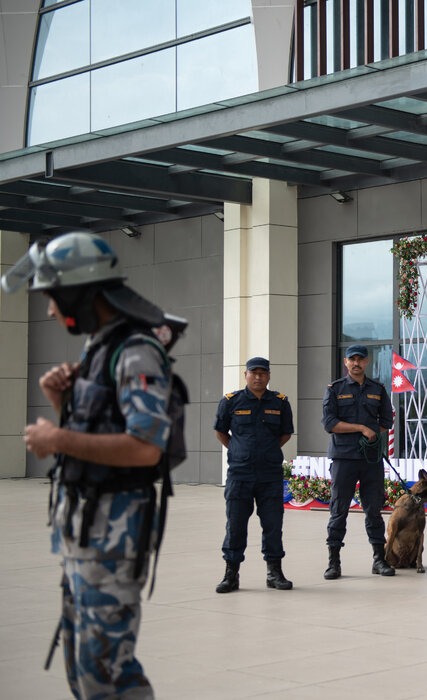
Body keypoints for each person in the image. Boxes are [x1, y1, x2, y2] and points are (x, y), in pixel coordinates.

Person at [2, 232, 179, 698]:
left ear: (80, 292)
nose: (49, 310)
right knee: (85, 671)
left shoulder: (136, 351)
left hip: (113, 541)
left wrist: (57, 438)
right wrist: (61, 402)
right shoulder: (99, 348)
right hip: (86, 536)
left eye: (53, 298)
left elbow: (146, 448)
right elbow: (99, 438)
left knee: (107, 674)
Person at [213, 357, 295, 592]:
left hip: (269, 474)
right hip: (240, 474)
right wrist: (240, 450)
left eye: (263, 373)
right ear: (245, 375)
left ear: (269, 376)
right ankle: (231, 574)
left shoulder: (280, 402)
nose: (258, 377)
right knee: (236, 525)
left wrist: (265, 452)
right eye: (254, 373)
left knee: (272, 524)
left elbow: (285, 434)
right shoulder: (231, 401)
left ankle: (274, 573)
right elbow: (220, 431)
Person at [321, 344, 396, 578]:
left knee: (373, 510)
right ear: (345, 362)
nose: (356, 363)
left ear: (367, 362)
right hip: (343, 458)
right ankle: (334, 563)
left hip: (370, 459)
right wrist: (362, 428)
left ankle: (378, 560)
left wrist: (372, 434)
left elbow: (387, 421)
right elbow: (329, 424)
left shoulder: (378, 389)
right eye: (351, 359)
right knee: (338, 510)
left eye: (360, 359)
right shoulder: (334, 389)